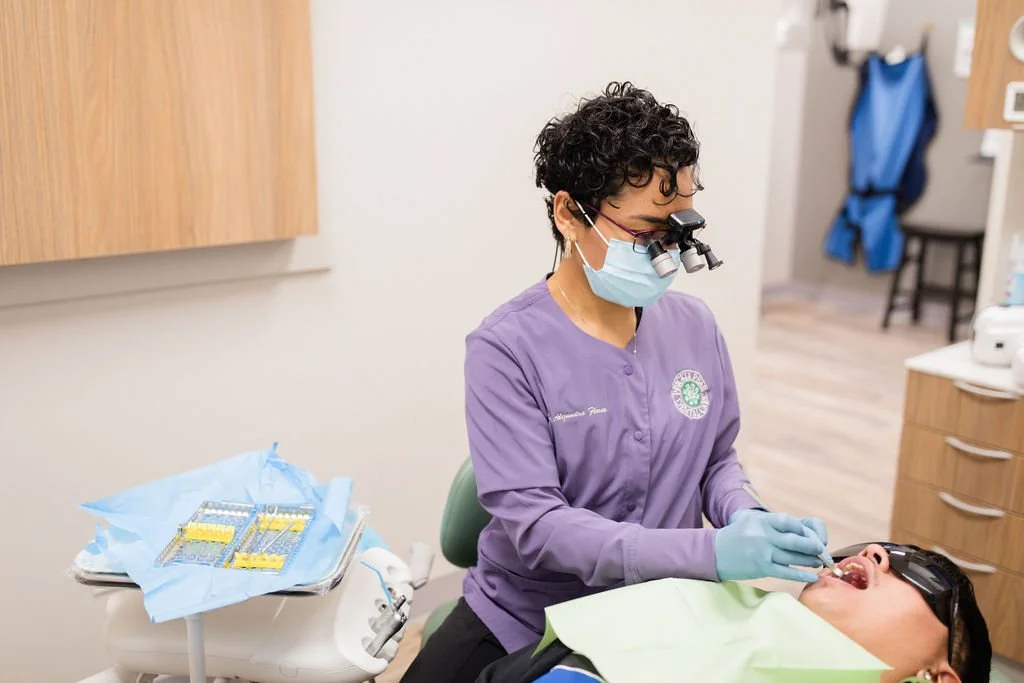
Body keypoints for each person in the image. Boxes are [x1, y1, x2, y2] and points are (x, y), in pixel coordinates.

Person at [399, 81, 831, 683]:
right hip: (526, 616)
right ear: (569, 214)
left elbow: (715, 461)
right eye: (646, 232)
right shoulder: (505, 350)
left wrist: (745, 515)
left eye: (678, 231)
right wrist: (710, 554)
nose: (668, 253)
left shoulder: (694, 326)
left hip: (664, 610)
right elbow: (540, 528)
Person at [475, 543, 993, 683]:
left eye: (922, 577)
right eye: (886, 546)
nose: (878, 553)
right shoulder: (706, 601)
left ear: (937, 677)